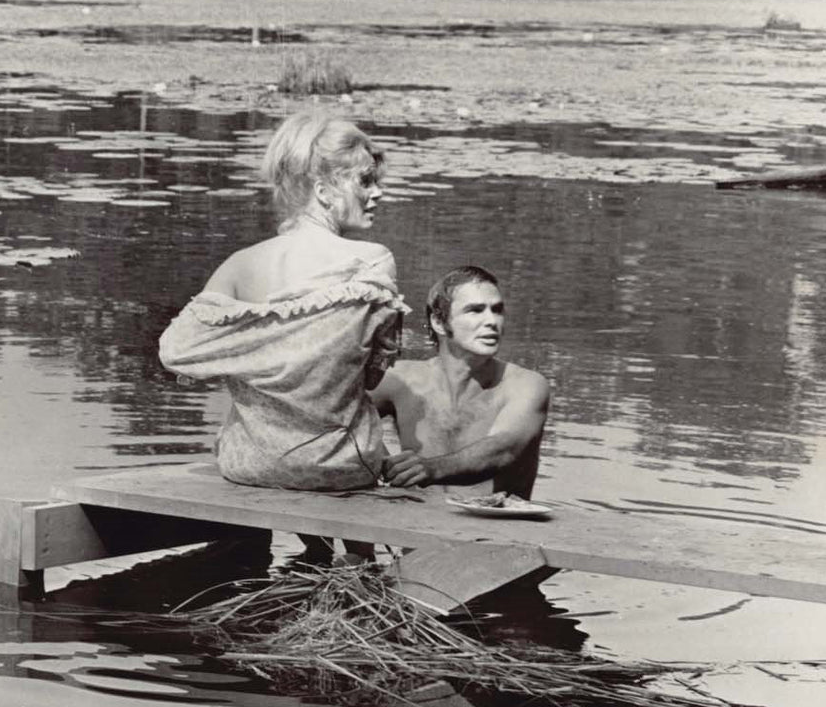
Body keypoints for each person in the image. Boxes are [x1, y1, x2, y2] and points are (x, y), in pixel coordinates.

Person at [159, 109, 405, 491]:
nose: (378, 192)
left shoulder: (241, 265)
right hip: (343, 464)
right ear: (324, 191)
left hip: (251, 463)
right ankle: (345, 553)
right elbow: (372, 375)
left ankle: (316, 552)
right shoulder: (371, 262)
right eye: (366, 181)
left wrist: (251, 355)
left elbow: (176, 352)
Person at [371, 265, 549, 498]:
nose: (491, 321)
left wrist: (430, 468)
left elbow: (504, 449)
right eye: (475, 310)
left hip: (499, 529)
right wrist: (379, 464)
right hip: (417, 522)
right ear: (438, 321)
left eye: (497, 310)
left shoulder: (527, 384)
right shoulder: (400, 381)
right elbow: (337, 418)